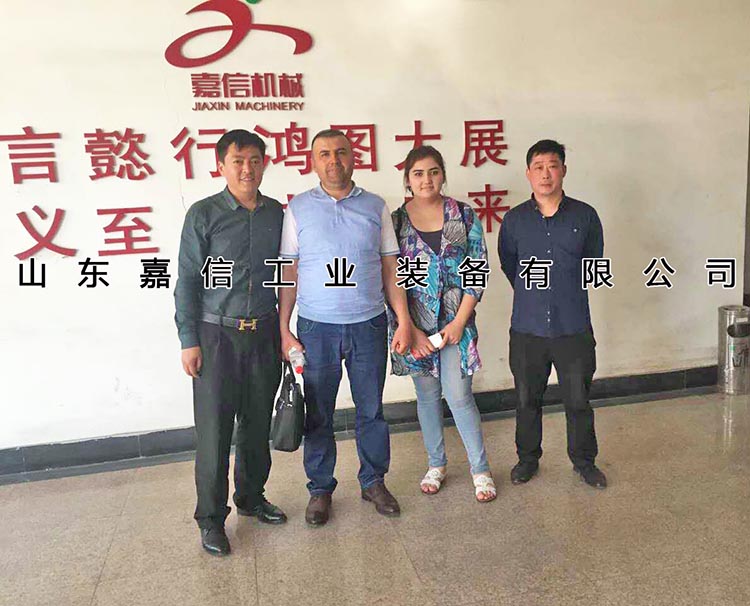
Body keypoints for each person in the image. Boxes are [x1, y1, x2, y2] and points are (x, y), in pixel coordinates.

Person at [278, 129, 413, 526]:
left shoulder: (375, 206)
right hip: (316, 328)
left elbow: (391, 268)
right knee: (319, 413)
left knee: (371, 410)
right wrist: (284, 328)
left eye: (340, 152)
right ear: (313, 161)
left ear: (354, 157)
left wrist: (403, 320)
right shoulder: (298, 208)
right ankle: (320, 489)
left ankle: (373, 481)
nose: (333, 160)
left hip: (368, 325)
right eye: (324, 154)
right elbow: (289, 271)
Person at [174, 129, 287, 557]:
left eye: (255, 160)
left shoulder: (277, 213)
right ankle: (210, 519)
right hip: (215, 336)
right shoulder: (203, 214)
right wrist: (189, 340)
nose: (247, 169)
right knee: (215, 432)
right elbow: (187, 279)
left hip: (263, 332)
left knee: (257, 425)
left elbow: (286, 272)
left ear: (264, 164)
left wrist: (284, 330)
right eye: (238, 161)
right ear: (221, 165)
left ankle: (252, 498)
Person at [389, 146, 496, 502]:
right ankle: (436, 464)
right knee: (427, 397)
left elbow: (477, 269)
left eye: (433, 172)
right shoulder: (396, 222)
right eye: (418, 173)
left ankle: (480, 469)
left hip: (456, 325)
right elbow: (391, 278)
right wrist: (409, 327)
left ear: (443, 175)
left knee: (459, 396)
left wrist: (460, 322)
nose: (426, 180)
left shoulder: (463, 215)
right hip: (414, 328)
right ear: (408, 179)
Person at [498, 139, 607, 489]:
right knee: (526, 400)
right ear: (528, 173)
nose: (546, 174)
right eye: (539, 167)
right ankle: (527, 459)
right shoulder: (514, 220)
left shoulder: (585, 216)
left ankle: (584, 462)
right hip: (527, 328)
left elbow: (593, 264)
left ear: (563, 170)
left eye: (553, 166)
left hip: (573, 327)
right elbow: (510, 265)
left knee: (578, 400)